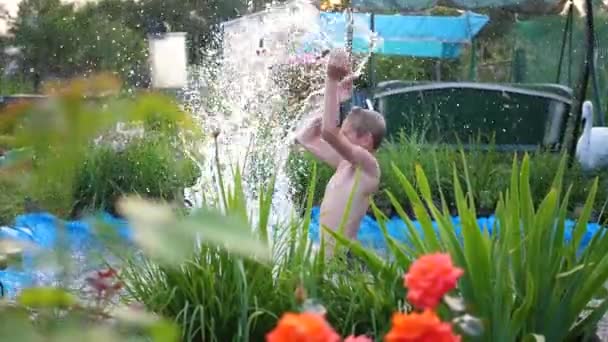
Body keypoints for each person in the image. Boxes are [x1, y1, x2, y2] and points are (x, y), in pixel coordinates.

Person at [294, 48, 386, 255]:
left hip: (341, 257)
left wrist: (332, 79)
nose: (340, 138)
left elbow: (329, 133)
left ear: (366, 139)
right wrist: (336, 98)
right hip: (325, 255)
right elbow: (306, 137)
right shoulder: (345, 164)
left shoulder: (368, 166)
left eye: (345, 134)